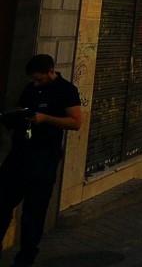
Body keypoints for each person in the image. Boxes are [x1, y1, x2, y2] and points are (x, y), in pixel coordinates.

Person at [0, 54, 82, 266]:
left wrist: (46, 119)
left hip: (44, 159)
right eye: (33, 80)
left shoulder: (66, 91)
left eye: (40, 79)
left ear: (51, 71)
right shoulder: (31, 89)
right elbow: (21, 107)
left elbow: (75, 122)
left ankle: (25, 259)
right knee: (2, 203)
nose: (36, 83)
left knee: (33, 213)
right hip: (19, 155)